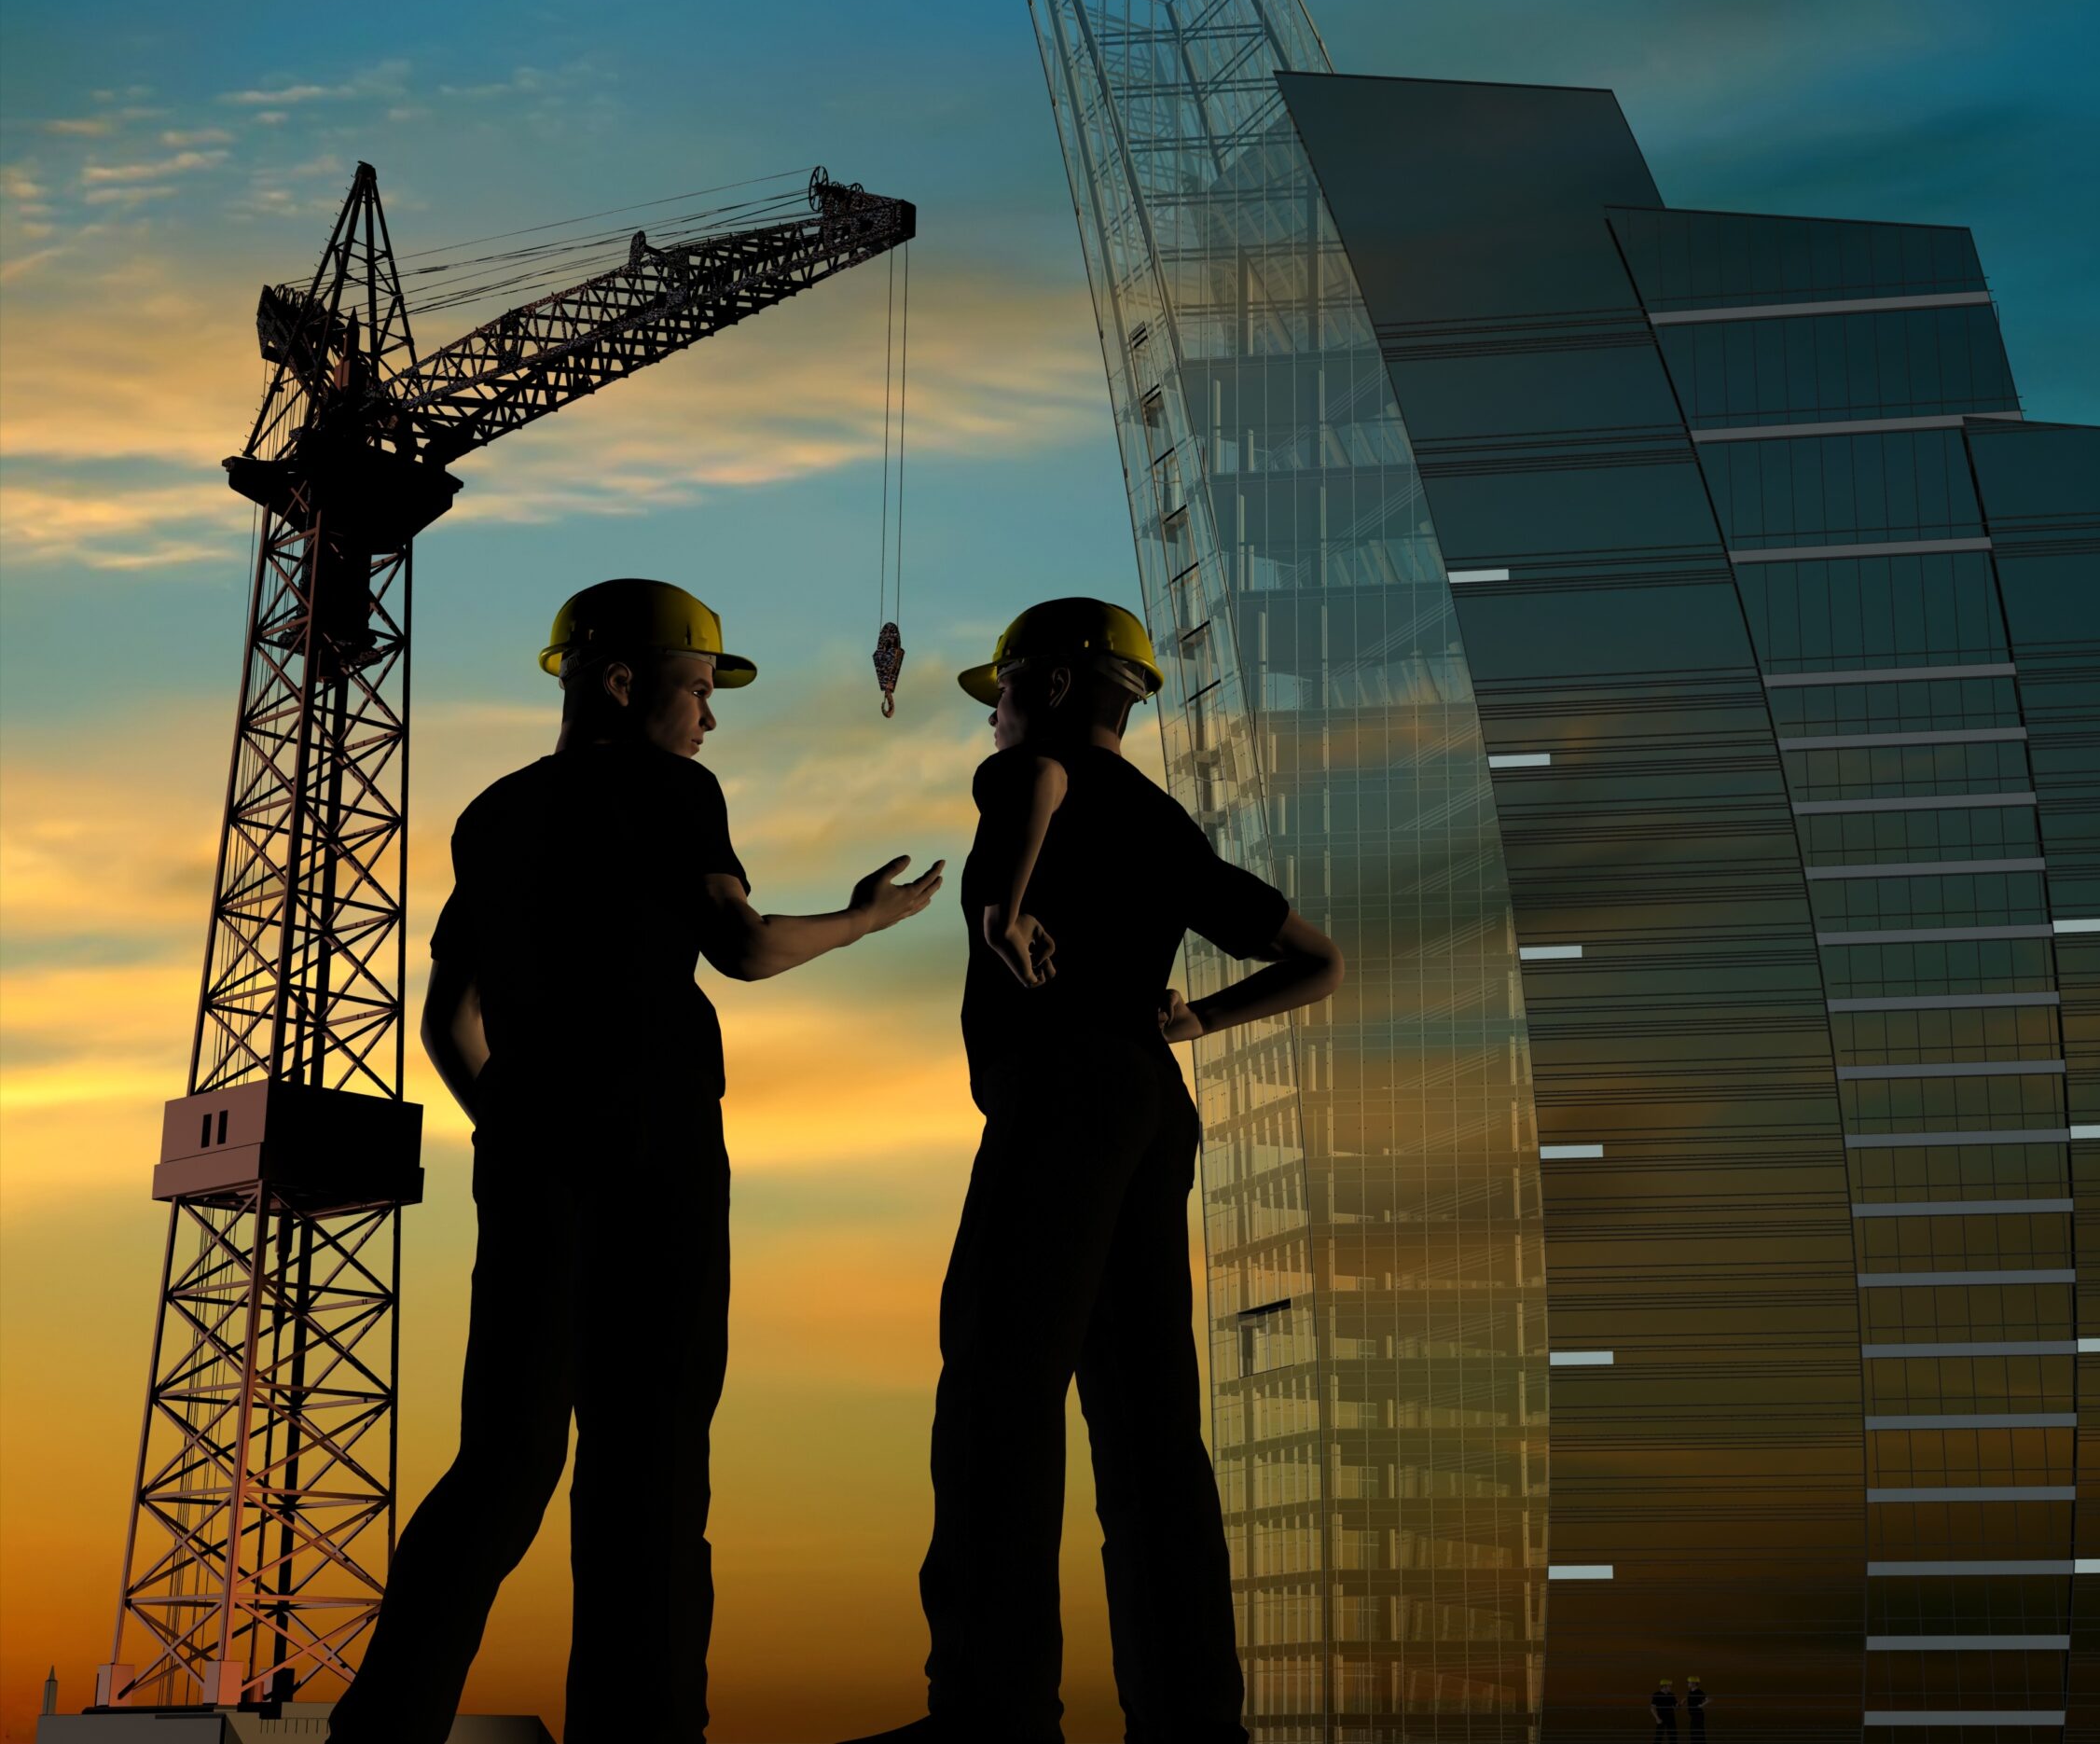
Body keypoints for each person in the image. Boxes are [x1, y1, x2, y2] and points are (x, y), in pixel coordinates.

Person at [329, 579, 943, 1744]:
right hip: (655, 1161)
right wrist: (869, 919)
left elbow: (445, 1024)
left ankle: (383, 1728)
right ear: (623, 682)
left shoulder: (491, 814)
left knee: (502, 1466)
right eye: (700, 691)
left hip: (525, 1166)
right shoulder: (674, 788)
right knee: (648, 1476)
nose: (709, 722)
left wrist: (506, 1120)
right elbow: (746, 946)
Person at [845, 599, 1343, 1744]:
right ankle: (1192, 1718)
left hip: (1061, 1098)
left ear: (1059, 687)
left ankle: (990, 1708)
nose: (997, 718)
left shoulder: (1036, 771)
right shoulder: (1167, 826)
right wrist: (1196, 1020)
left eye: (1005, 691)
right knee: (1149, 1432)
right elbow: (1317, 962)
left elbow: (1033, 789)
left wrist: (1000, 911)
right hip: (1147, 1108)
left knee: (996, 1393)